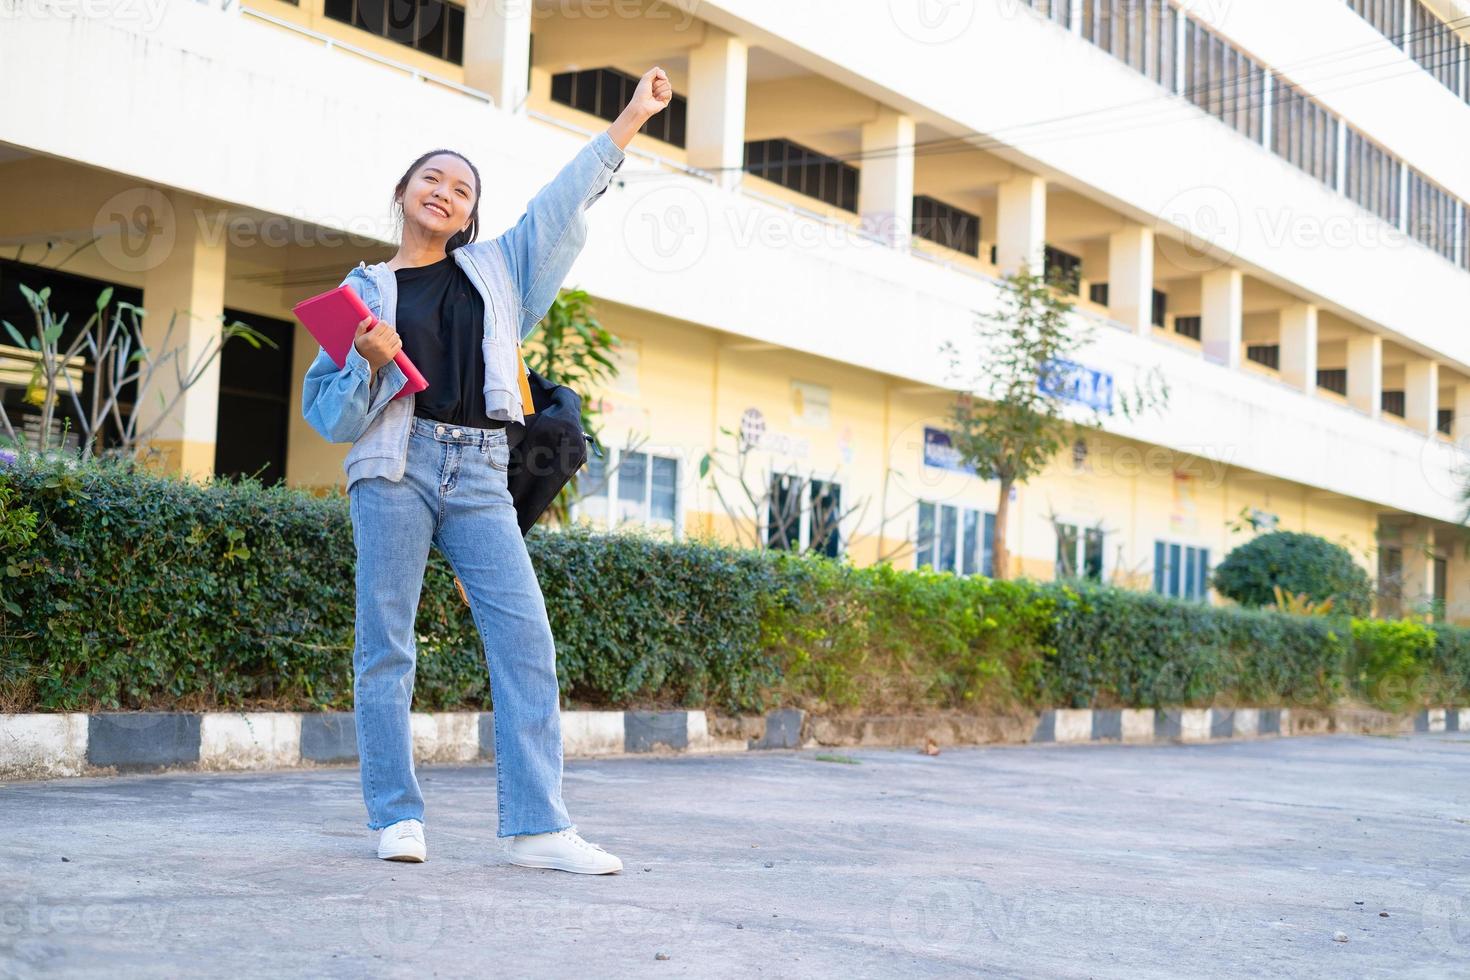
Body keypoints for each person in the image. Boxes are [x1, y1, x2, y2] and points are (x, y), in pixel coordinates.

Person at [302, 66, 673, 874]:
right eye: (431, 178)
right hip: (395, 466)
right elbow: (327, 419)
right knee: (386, 647)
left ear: (471, 215)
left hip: (477, 472)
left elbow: (560, 201)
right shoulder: (358, 292)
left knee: (526, 641)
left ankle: (538, 828)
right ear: (403, 193)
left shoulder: (502, 271)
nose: (446, 192)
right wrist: (366, 362)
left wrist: (630, 119)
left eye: (462, 188)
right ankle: (395, 816)